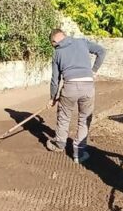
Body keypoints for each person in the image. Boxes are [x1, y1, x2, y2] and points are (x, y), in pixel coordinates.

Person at [46, 28, 107, 163]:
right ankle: (78, 153)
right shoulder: (82, 42)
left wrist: (52, 98)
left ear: (55, 40)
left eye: (53, 44)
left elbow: (55, 80)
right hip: (88, 86)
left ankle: (59, 144)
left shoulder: (57, 53)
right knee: (84, 119)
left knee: (64, 116)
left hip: (70, 87)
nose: (54, 47)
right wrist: (93, 71)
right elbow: (102, 51)